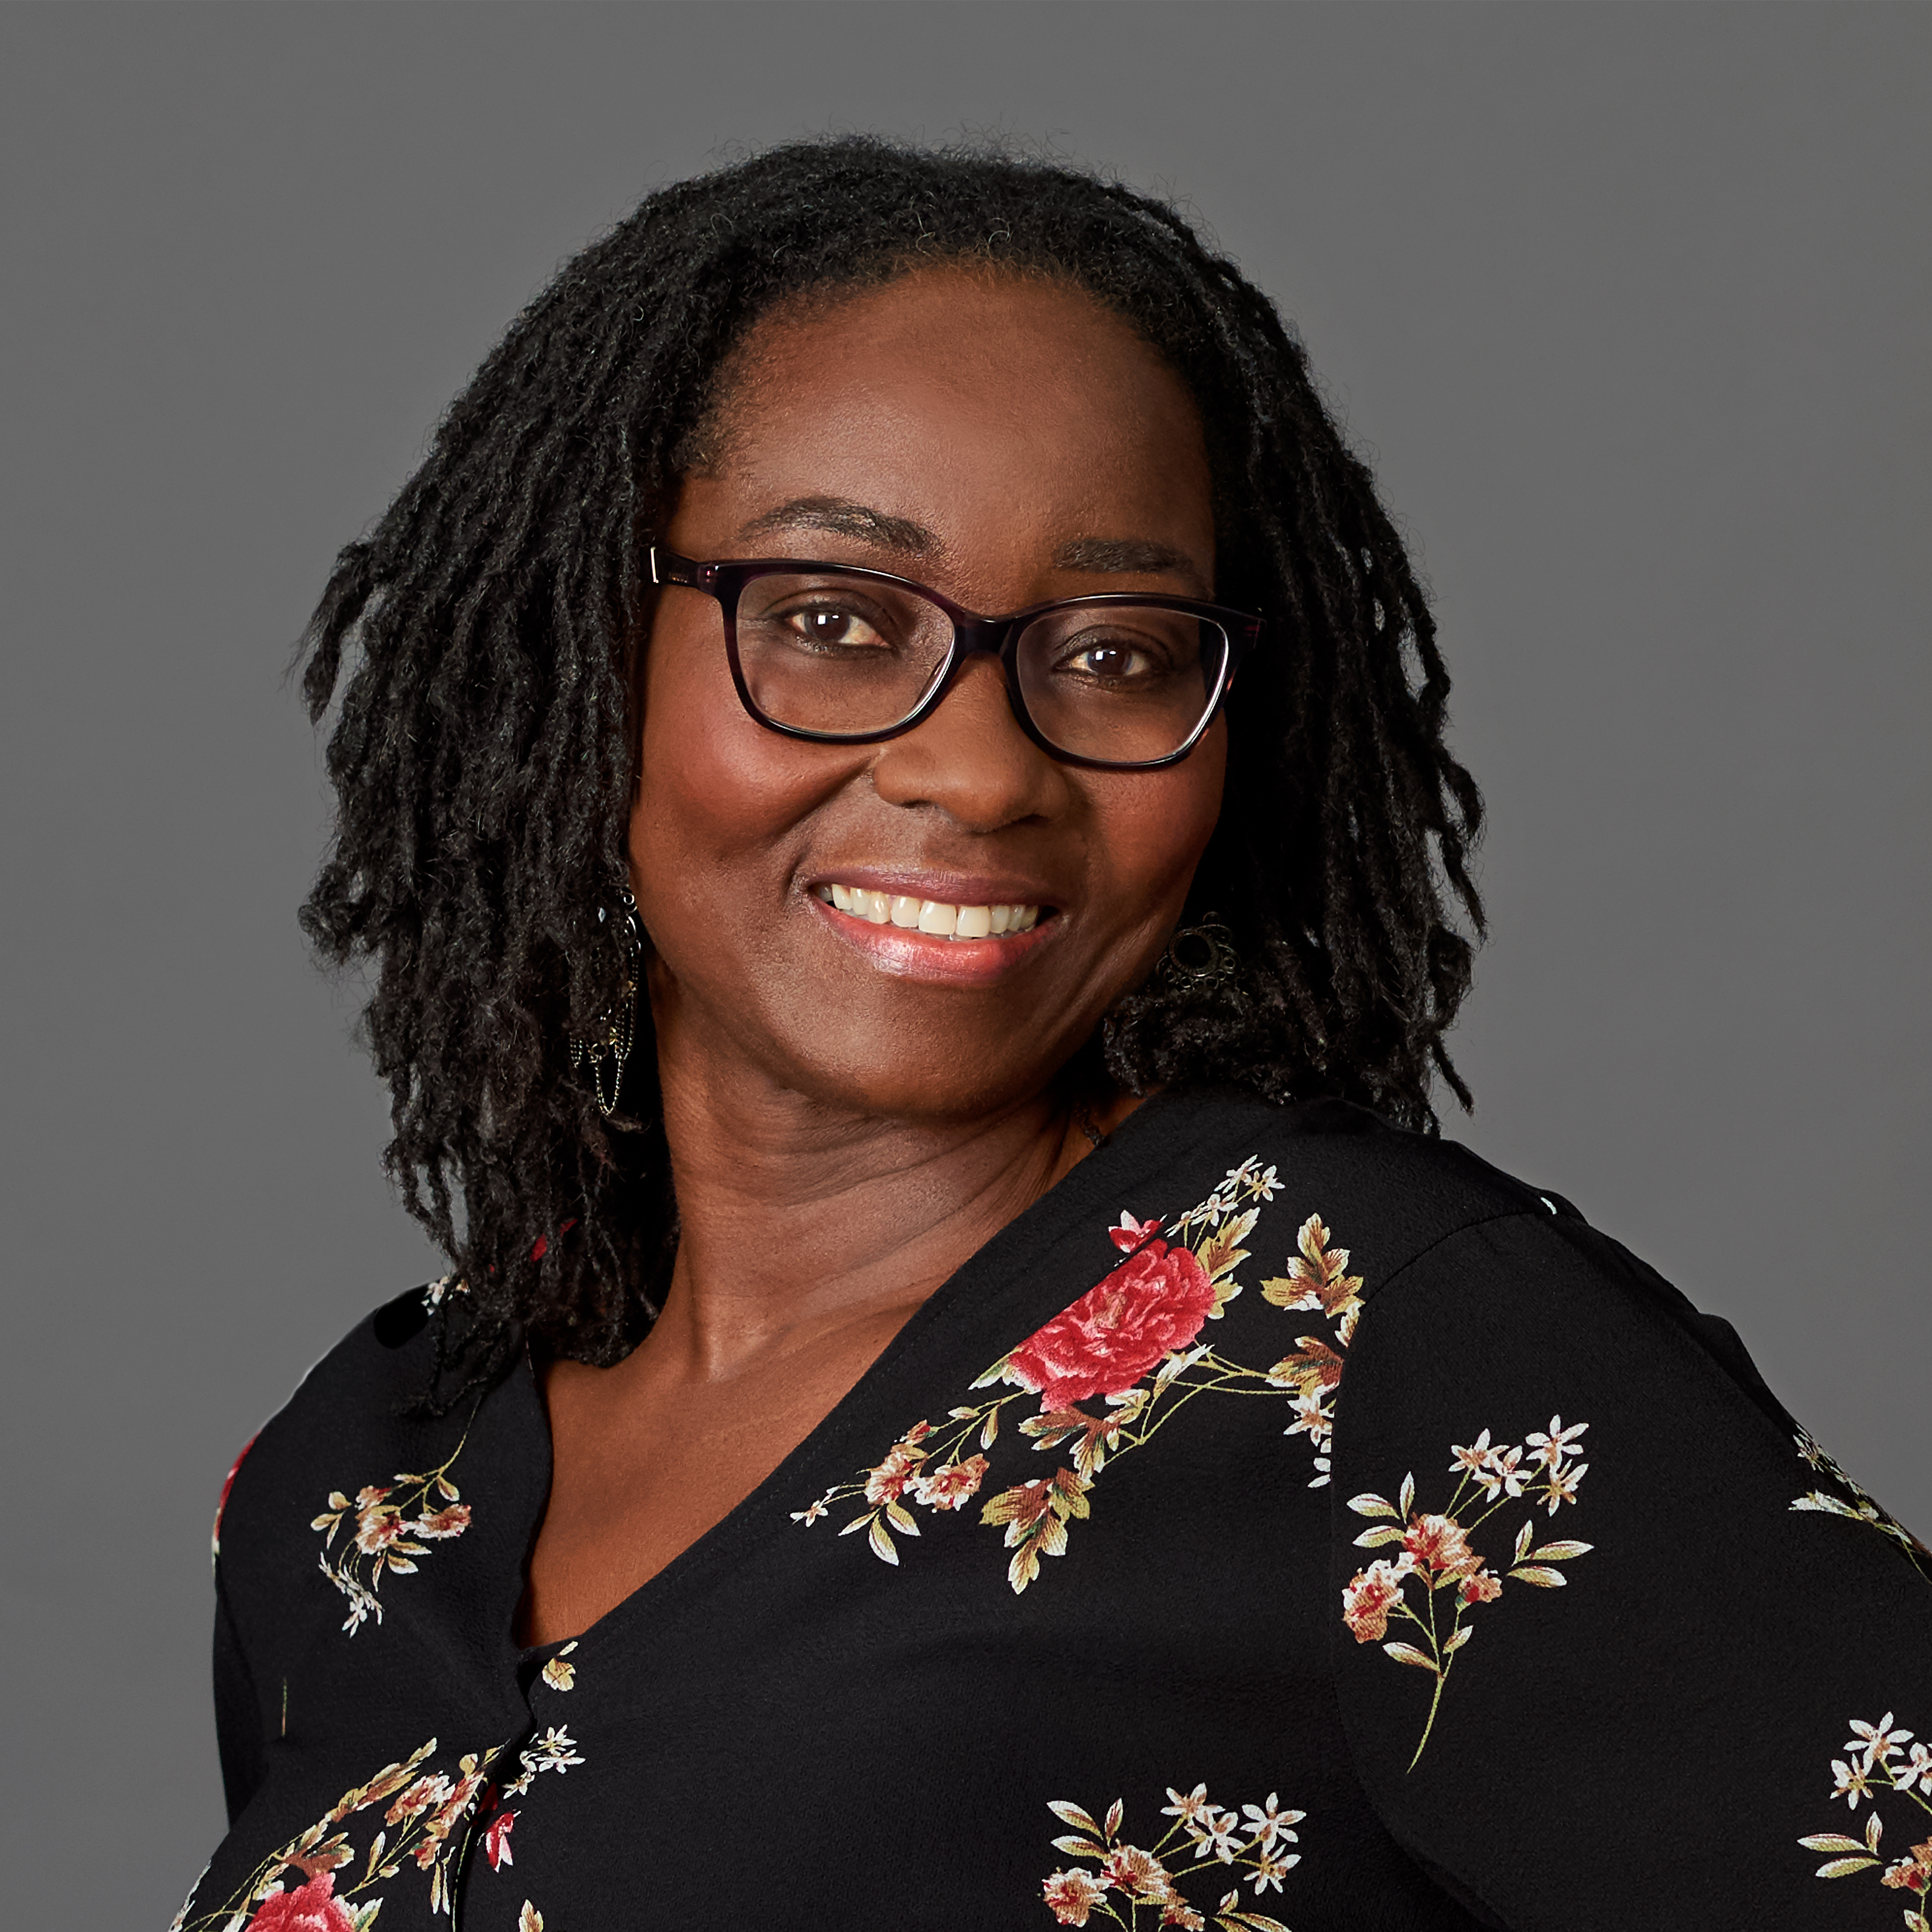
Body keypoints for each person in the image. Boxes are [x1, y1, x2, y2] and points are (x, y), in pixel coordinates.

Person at [179, 139, 1932, 1932]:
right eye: (834, 620)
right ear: (579, 655)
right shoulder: (370, 1480)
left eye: (1113, 653)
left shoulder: (1363, 1344)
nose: (983, 768)